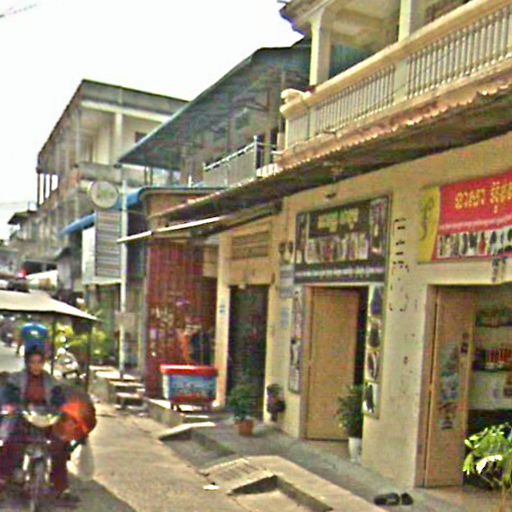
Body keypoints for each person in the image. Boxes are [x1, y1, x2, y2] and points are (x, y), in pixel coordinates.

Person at [0, 347, 88, 502]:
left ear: (43, 363)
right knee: (12, 443)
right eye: (32, 362)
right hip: (22, 416)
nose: (36, 366)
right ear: (27, 363)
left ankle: (60, 487)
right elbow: (8, 396)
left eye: (39, 362)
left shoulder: (51, 382)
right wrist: (11, 405)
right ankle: (2, 481)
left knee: (60, 445)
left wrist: (64, 410)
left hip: (46, 418)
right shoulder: (16, 379)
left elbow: (59, 400)